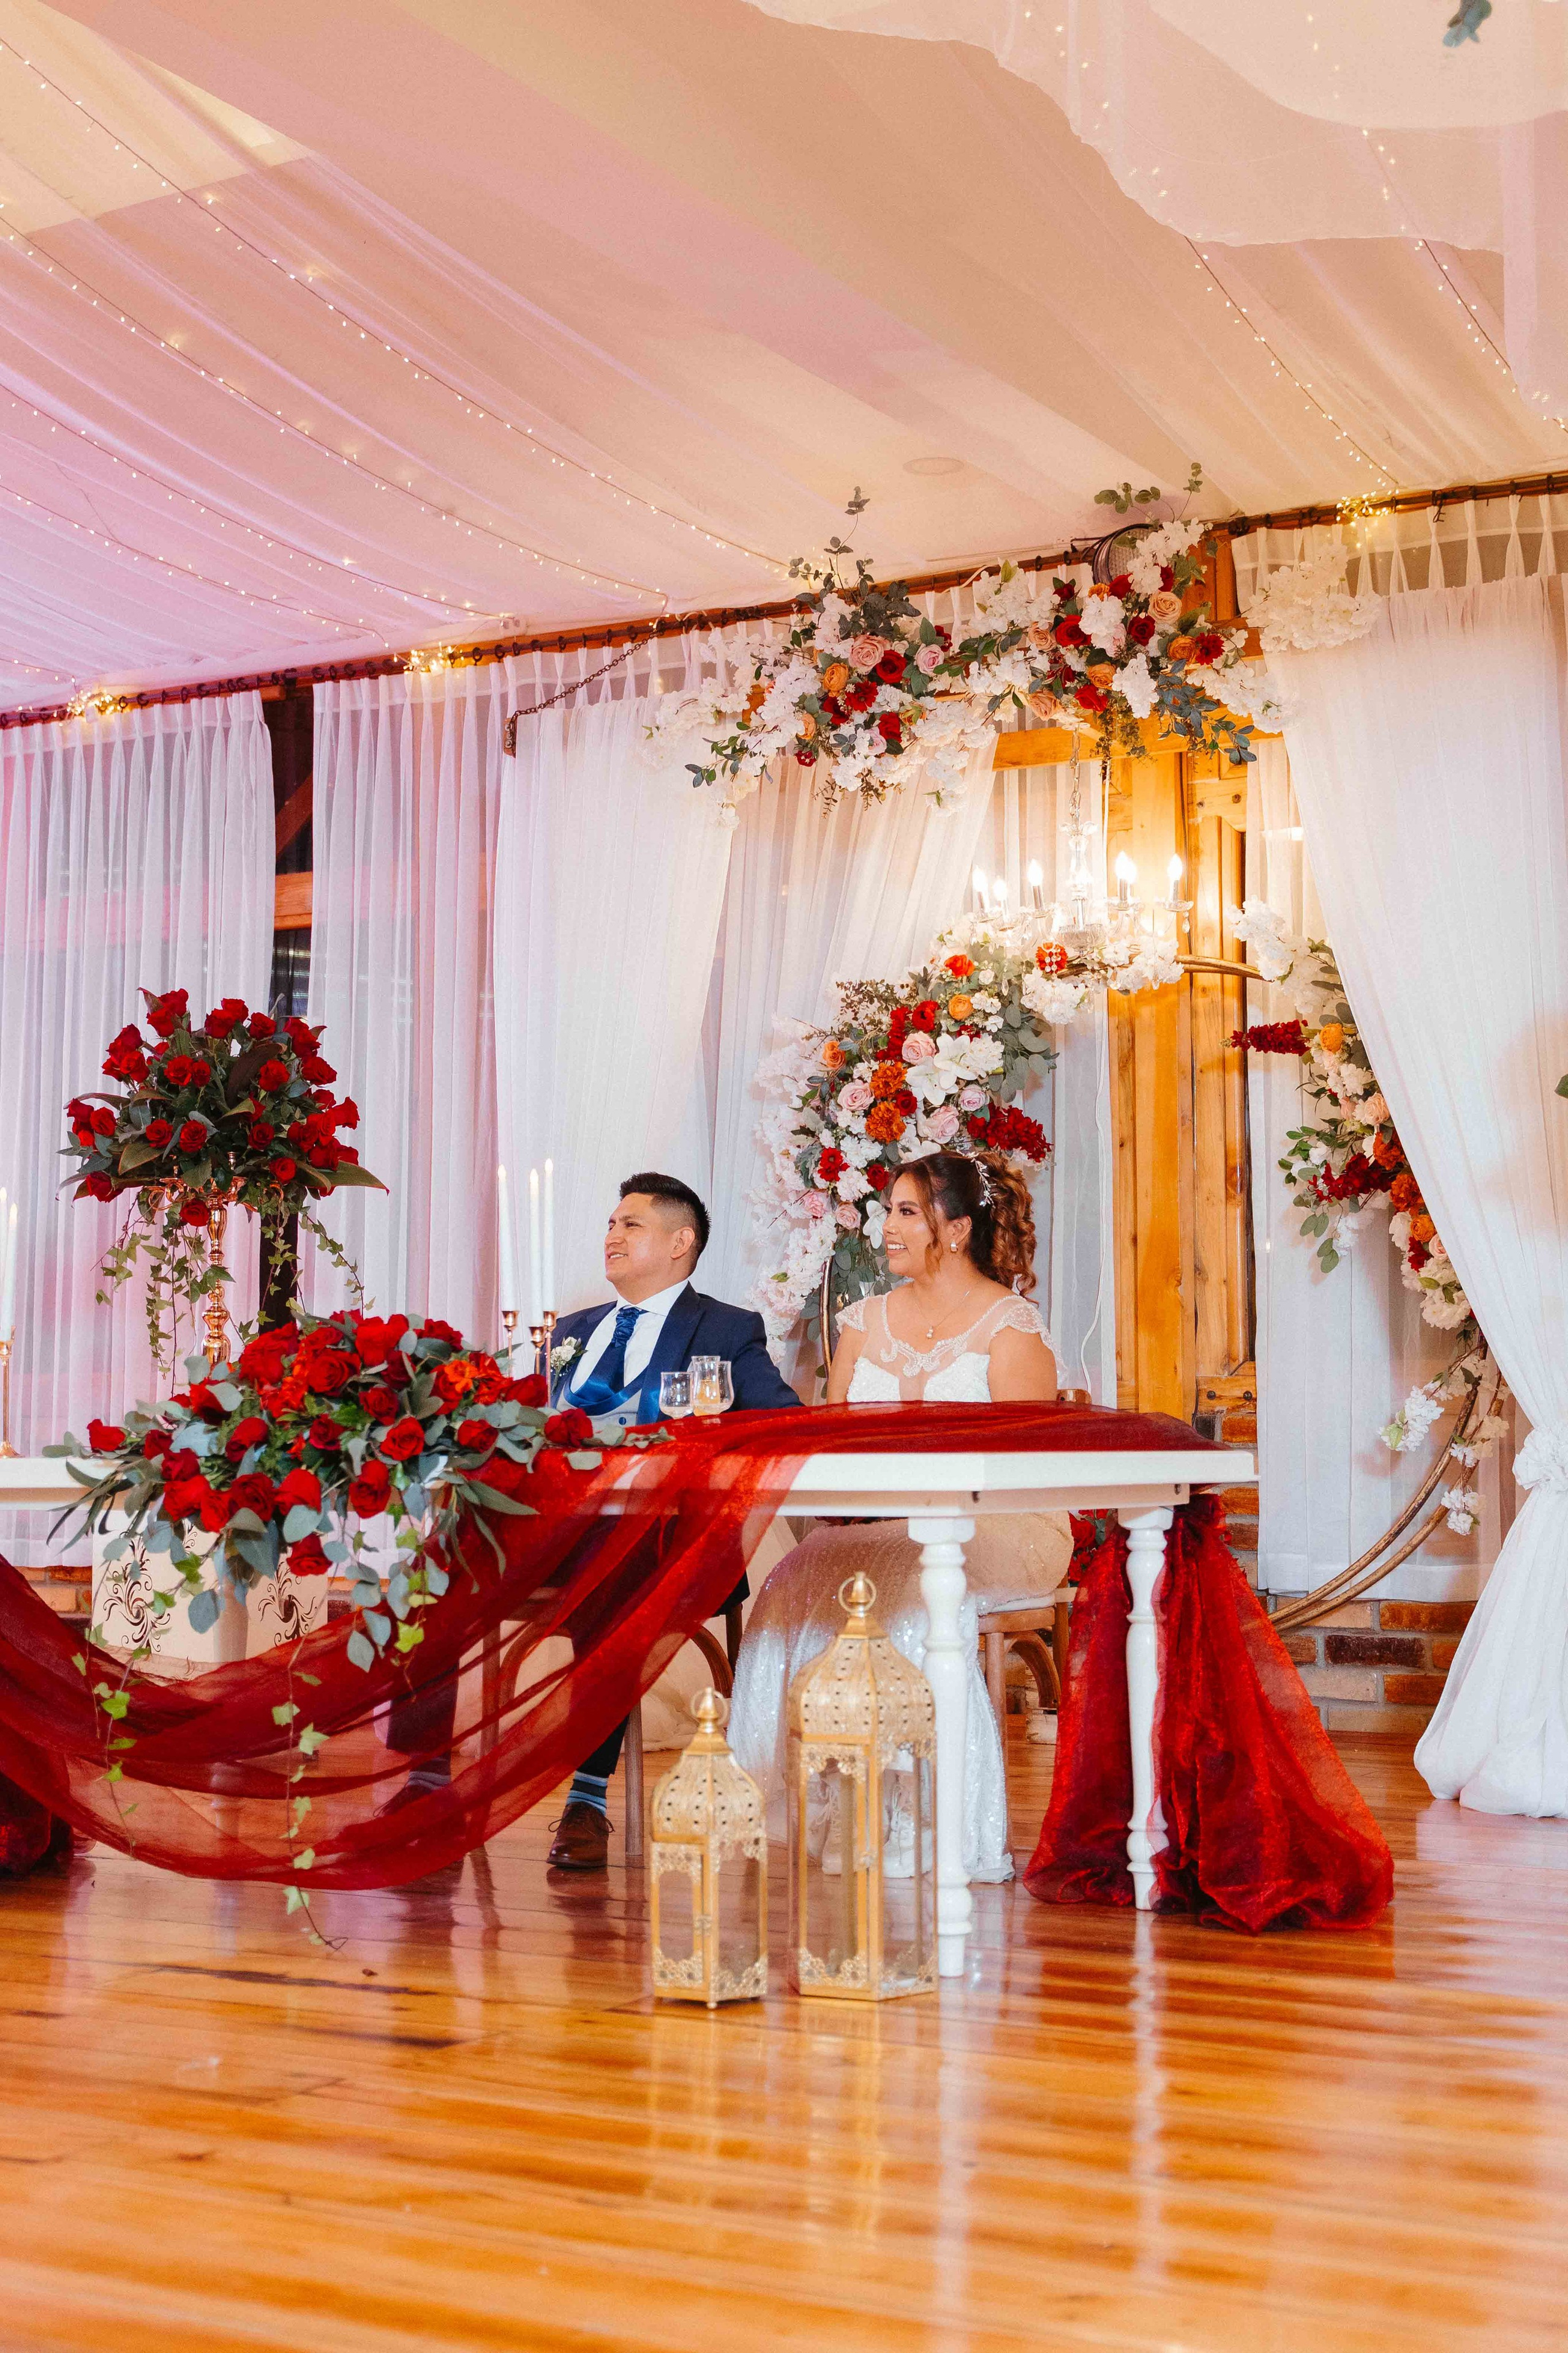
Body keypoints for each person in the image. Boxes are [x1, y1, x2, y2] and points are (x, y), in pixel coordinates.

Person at [726, 1149, 1070, 1883]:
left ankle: (927, 1822)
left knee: (914, 1587)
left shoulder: (1011, 1324)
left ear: (956, 1228)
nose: (886, 1227)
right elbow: (833, 1437)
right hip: (891, 1524)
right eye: (888, 1210)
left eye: (906, 1212)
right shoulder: (864, 1320)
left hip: (1006, 1523)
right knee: (794, 1576)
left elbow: (1027, 1462)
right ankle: (829, 1813)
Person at [546, 1173, 804, 1870]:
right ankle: (425, 1781)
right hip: (555, 1532)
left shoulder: (723, 1329)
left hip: (667, 1542)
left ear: (680, 1242)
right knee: (439, 1565)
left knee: (615, 1567)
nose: (611, 1234)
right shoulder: (569, 1333)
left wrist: (711, 1444)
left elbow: (782, 1423)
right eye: (609, 1221)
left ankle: (587, 1798)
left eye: (630, 1223)